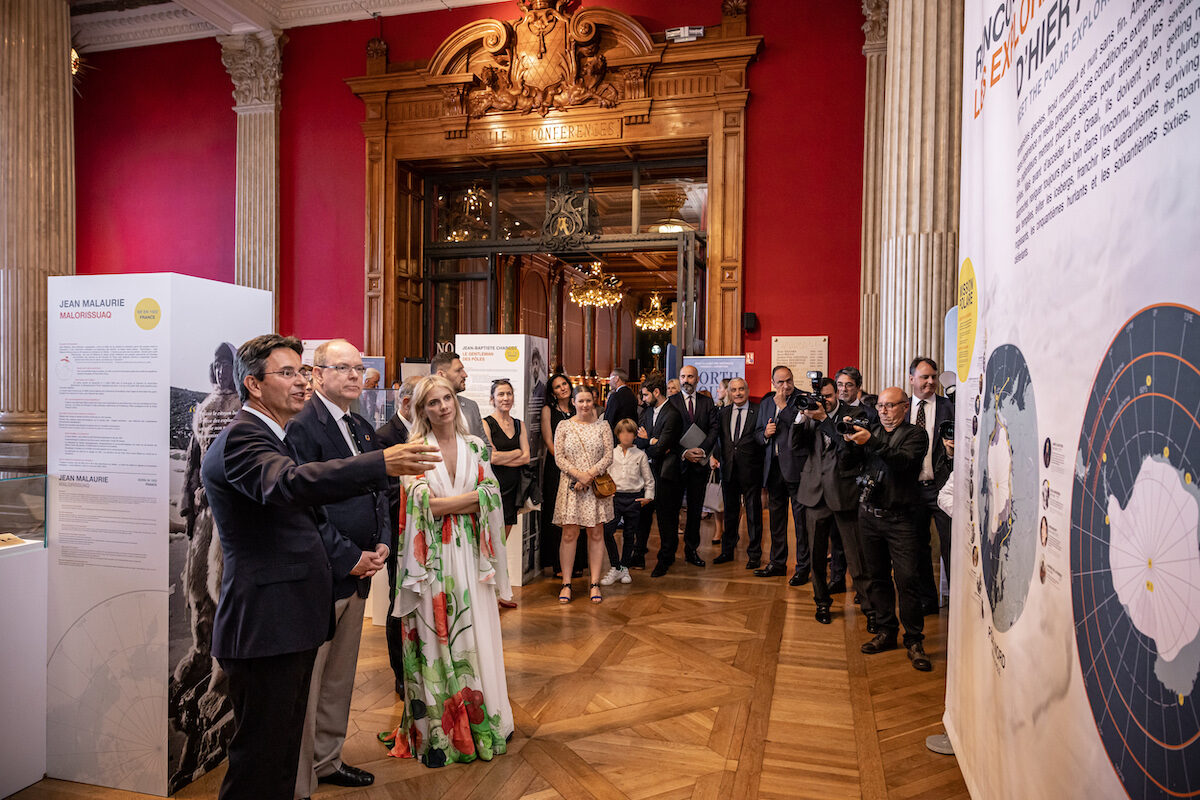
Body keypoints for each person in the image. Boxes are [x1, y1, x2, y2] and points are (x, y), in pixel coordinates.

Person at [200, 334, 438, 800]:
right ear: (252, 384)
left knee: (281, 755)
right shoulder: (243, 438)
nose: (300, 383)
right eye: (287, 373)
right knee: (260, 763)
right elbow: (288, 484)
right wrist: (379, 463)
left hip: (289, 619)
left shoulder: (275, 434)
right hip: (266, 624)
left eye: (301, 372)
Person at [382, 375, 515, 766]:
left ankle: (481, 718)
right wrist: (471, 499)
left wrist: (456, 502)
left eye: (447, 399)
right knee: (434, 633)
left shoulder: (475, 446)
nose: (443, 407)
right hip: (431, 560)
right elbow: (420, 508)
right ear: (420, 409)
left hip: (472, 555)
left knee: (477, 628)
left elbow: (491, 499)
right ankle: (440, 729)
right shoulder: (413, 451)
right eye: (433, 402)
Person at [286, 339, 390, 796]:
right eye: (342, 368)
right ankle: (301, 777)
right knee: (309, 682)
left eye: (358, 368)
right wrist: (350, 556)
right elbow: (306, 508)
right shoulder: (302, 428)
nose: (354, 375)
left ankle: (328, 760)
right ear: (317, 374)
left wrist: (384, 541)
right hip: (325, 573)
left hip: (362, 571)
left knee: (340, 677)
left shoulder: (363, 427)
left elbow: (381, 490)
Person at [172, 341, 240, 785]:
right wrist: (185, 503)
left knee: (220, 586)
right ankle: (201, 648)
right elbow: (195, 460)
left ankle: (221, 663)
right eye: (214, 366)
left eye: (225, 365)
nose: (219, 372)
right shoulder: (205, 409)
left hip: (229, 512)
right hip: (203, 511)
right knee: (196, 585)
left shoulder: (241, 409)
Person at [844, 387, 932, 672]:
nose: (883, 411)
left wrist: (871, 442)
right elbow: (849, 464)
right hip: (869, 516)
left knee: (907, 580)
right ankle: (886, 631)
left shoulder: (916, 435)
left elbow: (903, 463)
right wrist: (850, 441)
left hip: (902, 519)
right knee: (877, 577)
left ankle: (914, 640)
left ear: (904, 407)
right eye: (880, 406)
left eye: (890, 406)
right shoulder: (870, 431)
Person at [795, 377, 872, 627]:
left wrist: (824, 421)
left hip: (843, 492)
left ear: (837, 394)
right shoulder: (809, 416)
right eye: (820, 397)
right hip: (815, 494)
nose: (823, 401)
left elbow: (848, 452)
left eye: (828, 396)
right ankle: (821, 602)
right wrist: (801, 418)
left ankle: (870, 607)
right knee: (816, 555)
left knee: (856, 555)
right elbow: (793, 447)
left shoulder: (854, 414)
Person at [376, 375, 420, 695]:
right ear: (406, 403)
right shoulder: (384, 437)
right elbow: (385, 493)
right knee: (398, 601)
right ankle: (400, 674)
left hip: (426, 533)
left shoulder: (425, 435)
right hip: (399, 530)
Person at [652, 364, 717, 578]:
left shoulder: (708, 403)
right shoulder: (671, 403)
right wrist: (684, 452)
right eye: (683, 376)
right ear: (679, 379)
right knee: (670, 511)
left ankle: (692, 551)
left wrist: (702, 449)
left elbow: (714, 429)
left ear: (698, 379)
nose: (687, 380)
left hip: (699, 464)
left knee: (696, 511)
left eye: (690, 376)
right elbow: (666, 434)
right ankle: (667, 554)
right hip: (675, 465)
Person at [553, 386, 615, 603]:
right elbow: (559, 458)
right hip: (571, 486)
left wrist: (588, 475)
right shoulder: (563, 426)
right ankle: (566, 583)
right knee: (569, 534)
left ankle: (595, 583)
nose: (585, 404)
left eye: (589, 400)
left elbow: (608, 456)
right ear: (574, 402)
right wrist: (579, 476)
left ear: (594, 400)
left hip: (595, 487)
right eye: (581, 401)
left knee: (596, 534)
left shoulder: (603, 426)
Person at [753, 365, 811, 584]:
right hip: (774, 467)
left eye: (789, 381)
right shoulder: (767, 402)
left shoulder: (802, 400)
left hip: (796, 469)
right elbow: (757, 433)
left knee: (801, 523)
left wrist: (784, 407)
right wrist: (765, 435)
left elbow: (802, 431)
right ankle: (777, 564)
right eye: (780, 382)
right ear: (773, 383)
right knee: (776, 521)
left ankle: (803, 568)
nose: (785, 386)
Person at [908, 356, 953, 613]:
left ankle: (957, 602)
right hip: (912, 491)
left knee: (950, 546)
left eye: (934, 377)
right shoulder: (902, 409)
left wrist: (950, 453)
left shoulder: (950, 408)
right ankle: (928, 600)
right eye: (924, 377)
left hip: (942, 489)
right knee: (918, 548)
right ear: (912, 379)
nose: (930, 382)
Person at [483, 378, 530, 608]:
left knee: (501, 543)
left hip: (513, 491)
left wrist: (504, 455)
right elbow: (491, 458)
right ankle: (488, 593)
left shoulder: (519, 424)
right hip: (493, 489)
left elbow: (527, 457)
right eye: (501, 394)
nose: (505, 398)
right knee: (490, 542)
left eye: (509, 394)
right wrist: (515, 453)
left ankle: (500, 594)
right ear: (492, 398)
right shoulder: (486, 423)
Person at [711, 377, 764, 568]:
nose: (738, 393)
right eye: (734, 390)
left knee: (753, 515)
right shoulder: (723, 413)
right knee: (730, 514)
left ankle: (754, 555)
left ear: (747, 390)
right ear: (729, 393)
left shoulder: (758, 411)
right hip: (729, 470)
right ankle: (727, 551)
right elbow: (720, 439)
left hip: (751, 470)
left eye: (741, 389)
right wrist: (714, 456)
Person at [600, 418, 654, 586]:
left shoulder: (641, 455)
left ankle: (624, 566)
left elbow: (649, 480)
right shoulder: (611, 454)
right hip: (614, 498)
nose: (626, 436)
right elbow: (604, 475)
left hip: (634, 498)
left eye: (630, 432)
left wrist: (648, 497)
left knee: (630, 534)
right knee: (608, 531)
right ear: (617, 434)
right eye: (622, 432)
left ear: (634, 435)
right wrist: (605, 494)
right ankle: (615, 566)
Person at [634, 376, 681, 570]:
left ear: (656, 392)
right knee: (642, 517)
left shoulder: (673, 414)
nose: (643, 399)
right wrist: (653, 441)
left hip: (665, 474)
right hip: (645, 473)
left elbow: (660, 449)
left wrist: (650, 441)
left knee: (666, 518)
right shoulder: (646, 412)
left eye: (645, 394)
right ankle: (638, 554)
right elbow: (637, 441)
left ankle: (666, 558)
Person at [540, 374, 584, 575]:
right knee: (558, 513)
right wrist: (566, 463)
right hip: (557, 468)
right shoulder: (548, 410)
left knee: (578, 514)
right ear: (553, 392)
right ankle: (558, 565)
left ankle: (577, 564)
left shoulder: (578, 408)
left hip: (580, 469)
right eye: (557, 387)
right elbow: (549, 442)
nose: (562, 388)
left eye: (564, 384)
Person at [431, 351, 488, 446]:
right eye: (458, 370)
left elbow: (485, 444)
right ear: (441, 375)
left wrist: (480, 461)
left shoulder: (471, 406)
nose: (465, 375)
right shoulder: (424, 407)